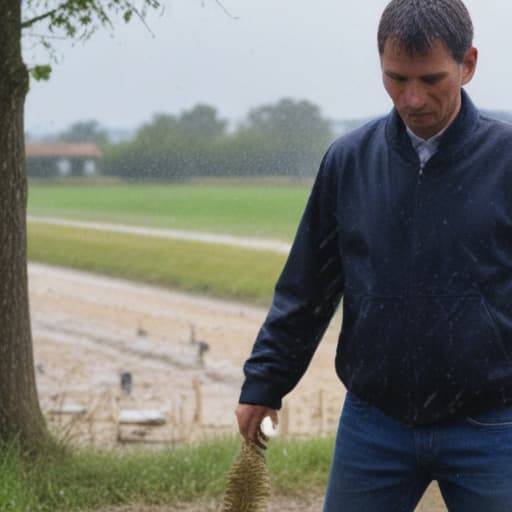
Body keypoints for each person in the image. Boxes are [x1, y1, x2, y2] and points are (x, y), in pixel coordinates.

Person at [235, 0, 512, 510]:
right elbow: (307, 289)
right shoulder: (348, 161)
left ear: (468, 63)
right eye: (396, 78)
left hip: (494, 424)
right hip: (374, 424)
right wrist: (264, 383)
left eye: (431, 78)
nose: (412, 98)